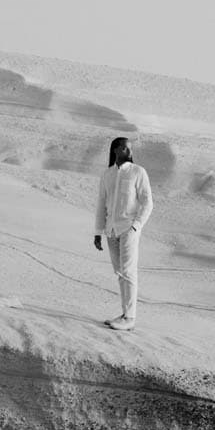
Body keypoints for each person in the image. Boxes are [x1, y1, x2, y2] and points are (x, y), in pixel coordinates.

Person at [94, 135, 154, 329]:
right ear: (115, 150)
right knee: (120, 272)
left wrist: (136, 226)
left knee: (128, 272)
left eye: (130, 149)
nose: (129, 152)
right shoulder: (107, 174)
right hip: (111, 231)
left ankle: (130, 318)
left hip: (128, 229)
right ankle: (125, 315)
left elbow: (147, 203)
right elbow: (101, 204)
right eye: (125, 149)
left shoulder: (138, 172)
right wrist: (98, 231)